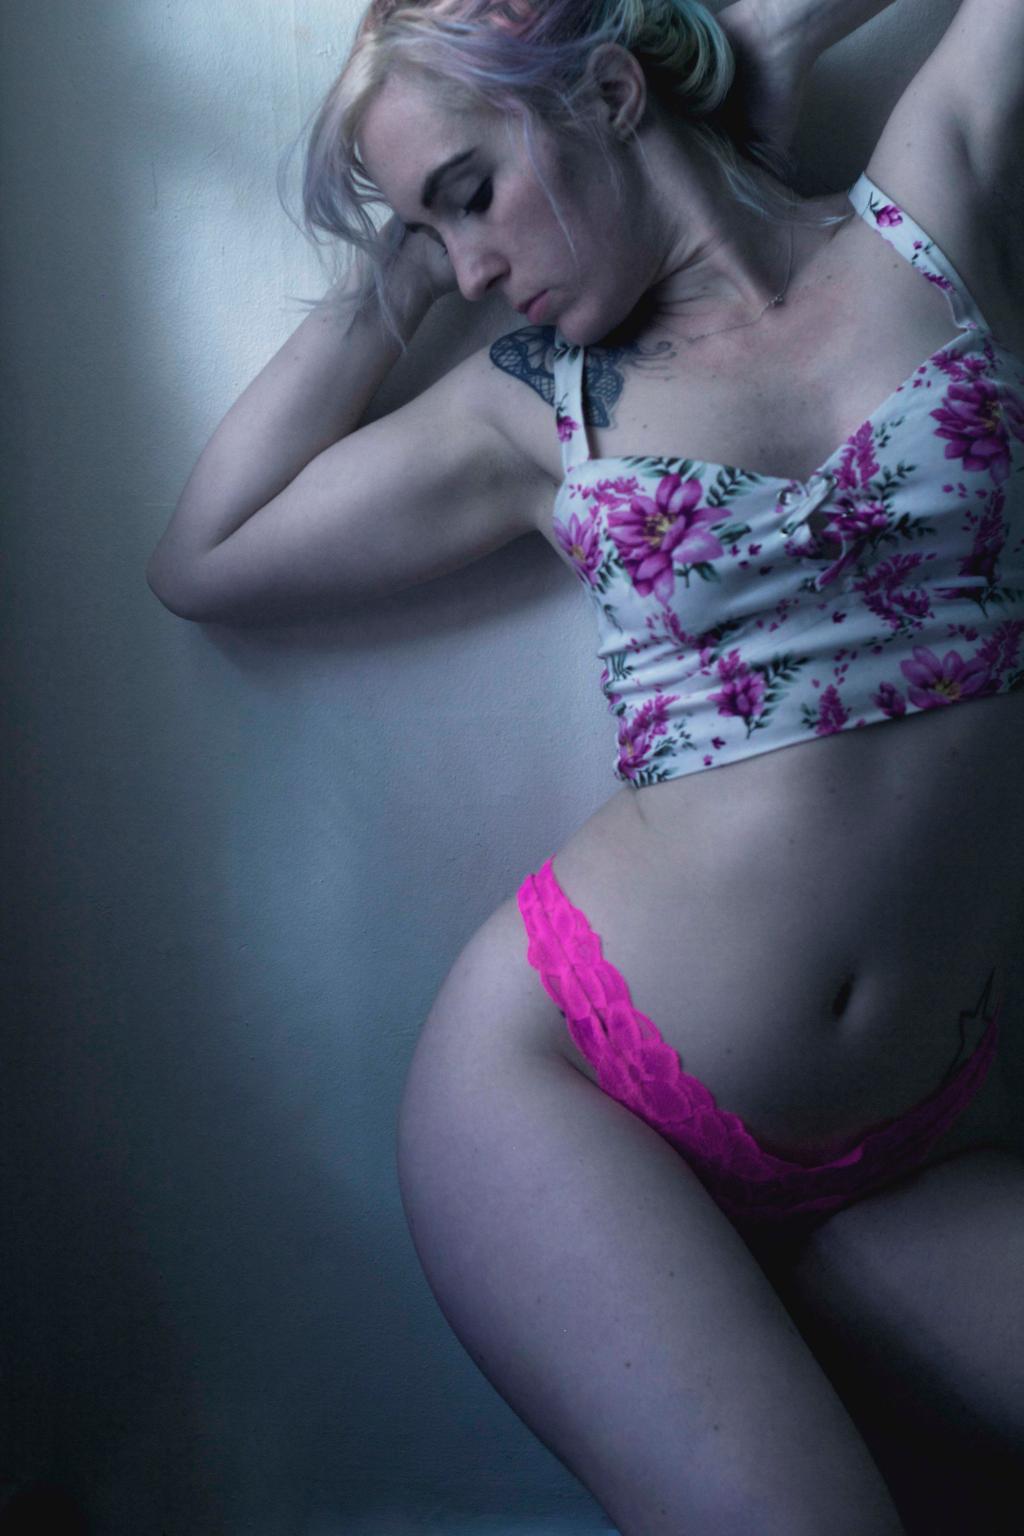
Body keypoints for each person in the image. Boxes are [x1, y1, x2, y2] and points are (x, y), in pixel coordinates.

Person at [146, 2, 1024, 1530]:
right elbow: (204, 558)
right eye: (432, 232)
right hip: (568, 1094)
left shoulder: (925, 212)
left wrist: (755, 35)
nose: (469, 267)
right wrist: (400, 263)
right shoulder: (526, 406)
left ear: (609, 91)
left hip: (911, 1140)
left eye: (470, 193)